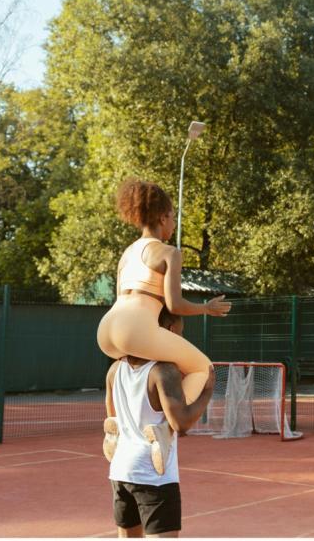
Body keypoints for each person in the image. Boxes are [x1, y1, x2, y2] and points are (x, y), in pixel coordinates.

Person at [97, 178, 231, 473]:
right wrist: (205, 308)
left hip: (107, 327)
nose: (173, 225)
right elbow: (174, 305)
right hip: (135, 326)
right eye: (173, 218)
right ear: (163, 217)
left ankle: (115, 423)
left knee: (120, 367)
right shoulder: (169, 252)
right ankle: (164, 432)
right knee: (203, 367)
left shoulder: (127, 253)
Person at [104, 307, 215, 538]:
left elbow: (112, 417)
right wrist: (207, 392)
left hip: (120, 470)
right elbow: (180, 424)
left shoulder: (114, 369)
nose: (182, 339)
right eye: (181, 332)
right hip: (154, 474)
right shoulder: (164, 371)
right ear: (169, 330)